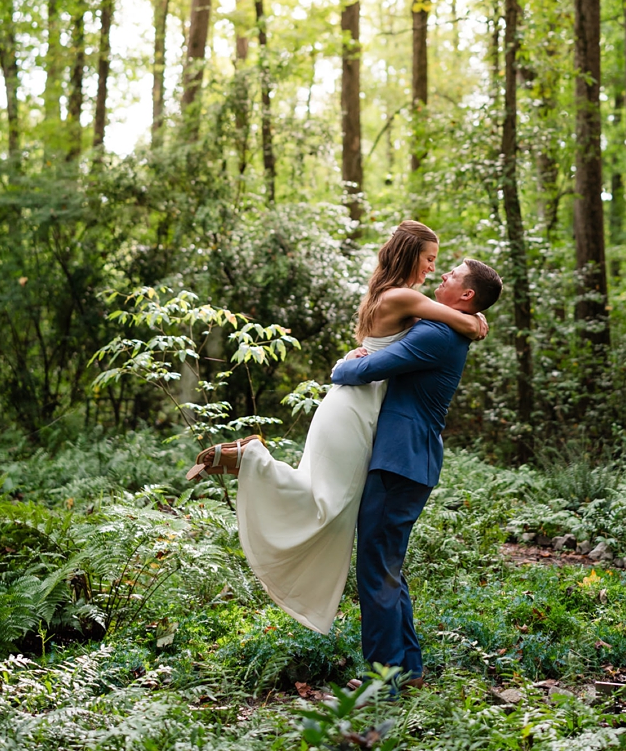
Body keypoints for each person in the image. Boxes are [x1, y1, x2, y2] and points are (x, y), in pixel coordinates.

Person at [185, 221, 491, 641]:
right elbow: (456, 321)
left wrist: (471, 317)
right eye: (430, 259)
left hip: (359, 407)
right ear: (410, 255)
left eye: (441, 266)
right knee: (328, 507)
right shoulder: (408, 298)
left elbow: (434, 326)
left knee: (330, 505)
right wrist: (475, 322)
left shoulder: (396, 296)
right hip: (354, 405)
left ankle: (251, 459)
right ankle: (252, 459)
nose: (435, 270)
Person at [326, 255, 502, 687]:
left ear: (466, 295)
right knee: (386, 565)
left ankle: (383, 681)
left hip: (399, 460)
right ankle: (407, 671)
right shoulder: (445, 327)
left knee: (376, 567)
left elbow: (368, 369)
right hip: (408, 459)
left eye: (453, 274)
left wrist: (339, 367)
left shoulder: (437, 333)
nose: (444, 274)